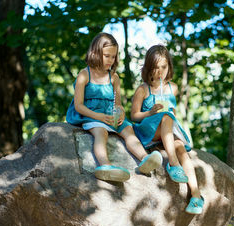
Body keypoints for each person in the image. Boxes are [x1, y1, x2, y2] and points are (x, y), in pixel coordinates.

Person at [66, 32, 162, 182]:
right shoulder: (84, 75)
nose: (111, 60)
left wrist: (121, 112)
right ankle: (105, 166)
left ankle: (145, 159)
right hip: (91, 114)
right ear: (95, 53)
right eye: (107, 56)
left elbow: (118, 104)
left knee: (128, 130)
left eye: (113, 56)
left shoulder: (114, 77)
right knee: (101, 132)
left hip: (109, 114)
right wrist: (98, 117)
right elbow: (78, 106)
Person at [131, 45, 204, 214]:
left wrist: (171, 117)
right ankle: (173, 163)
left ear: (169, 66)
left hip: (167, 131)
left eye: (163, 67)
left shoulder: (173, 88)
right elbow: (134, 115)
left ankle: (196, 196)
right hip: (149, 130)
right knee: (165, 117)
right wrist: (150, 112)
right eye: (156, 67)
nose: (160, 71)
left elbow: (174, 114)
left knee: (181, 147)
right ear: (149, 67)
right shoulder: (143, 89)